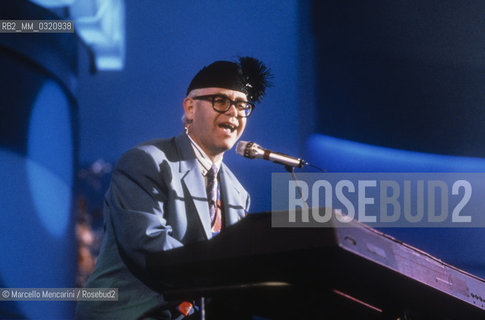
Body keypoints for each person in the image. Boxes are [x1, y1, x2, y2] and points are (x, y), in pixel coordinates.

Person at [75, 57, 272, 320]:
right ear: (190, 108)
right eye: (221, 101)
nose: (234, 112)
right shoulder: (147, 162)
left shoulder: (238, 193)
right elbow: (147, 244)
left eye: (242, 105)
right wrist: (223, 272)